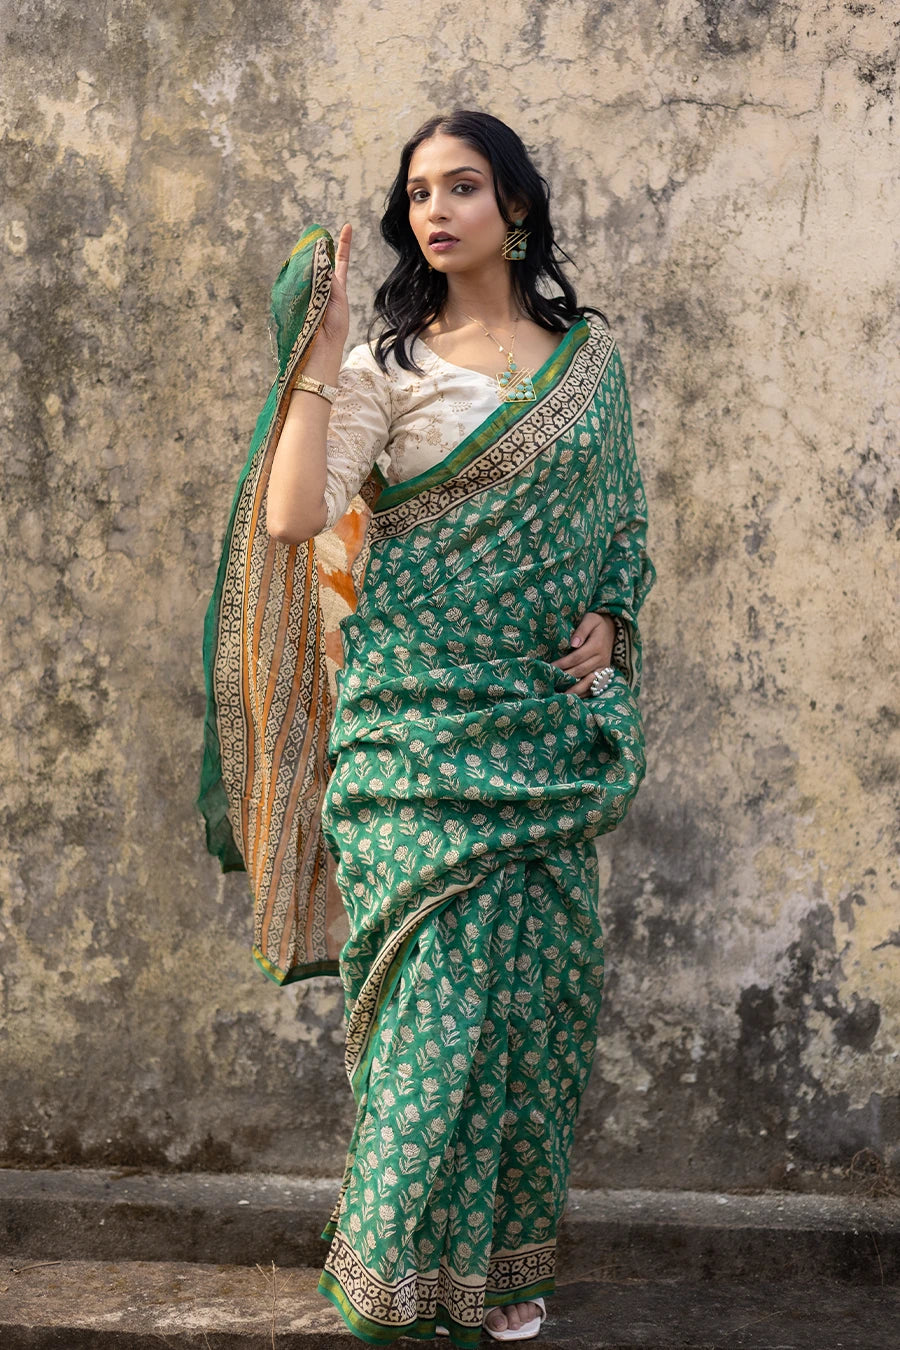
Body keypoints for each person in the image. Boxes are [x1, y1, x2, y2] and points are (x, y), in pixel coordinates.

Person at [199, 110, 655, 1346]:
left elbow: (621, 523)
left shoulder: (590, 365)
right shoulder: (386, 372)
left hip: (545, 737)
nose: (435, 210)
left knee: (536, 1018)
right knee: (432, 1028)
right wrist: (322, 352)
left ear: (515, 204)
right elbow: (296, 516)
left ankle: (498, 1273)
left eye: (462, 186)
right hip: (415, 739)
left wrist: (613, 618)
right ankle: (395, 1288)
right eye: (417, 193)